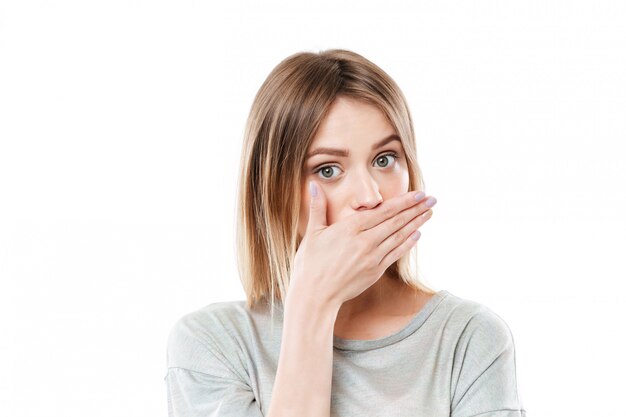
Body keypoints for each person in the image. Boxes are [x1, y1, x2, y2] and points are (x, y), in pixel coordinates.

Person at [164, 49, 527, 417]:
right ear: (272, 191)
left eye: (384, 160)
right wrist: (313, 305)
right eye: (327, 170)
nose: (370, 197)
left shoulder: (469, 340)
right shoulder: (211, 345)